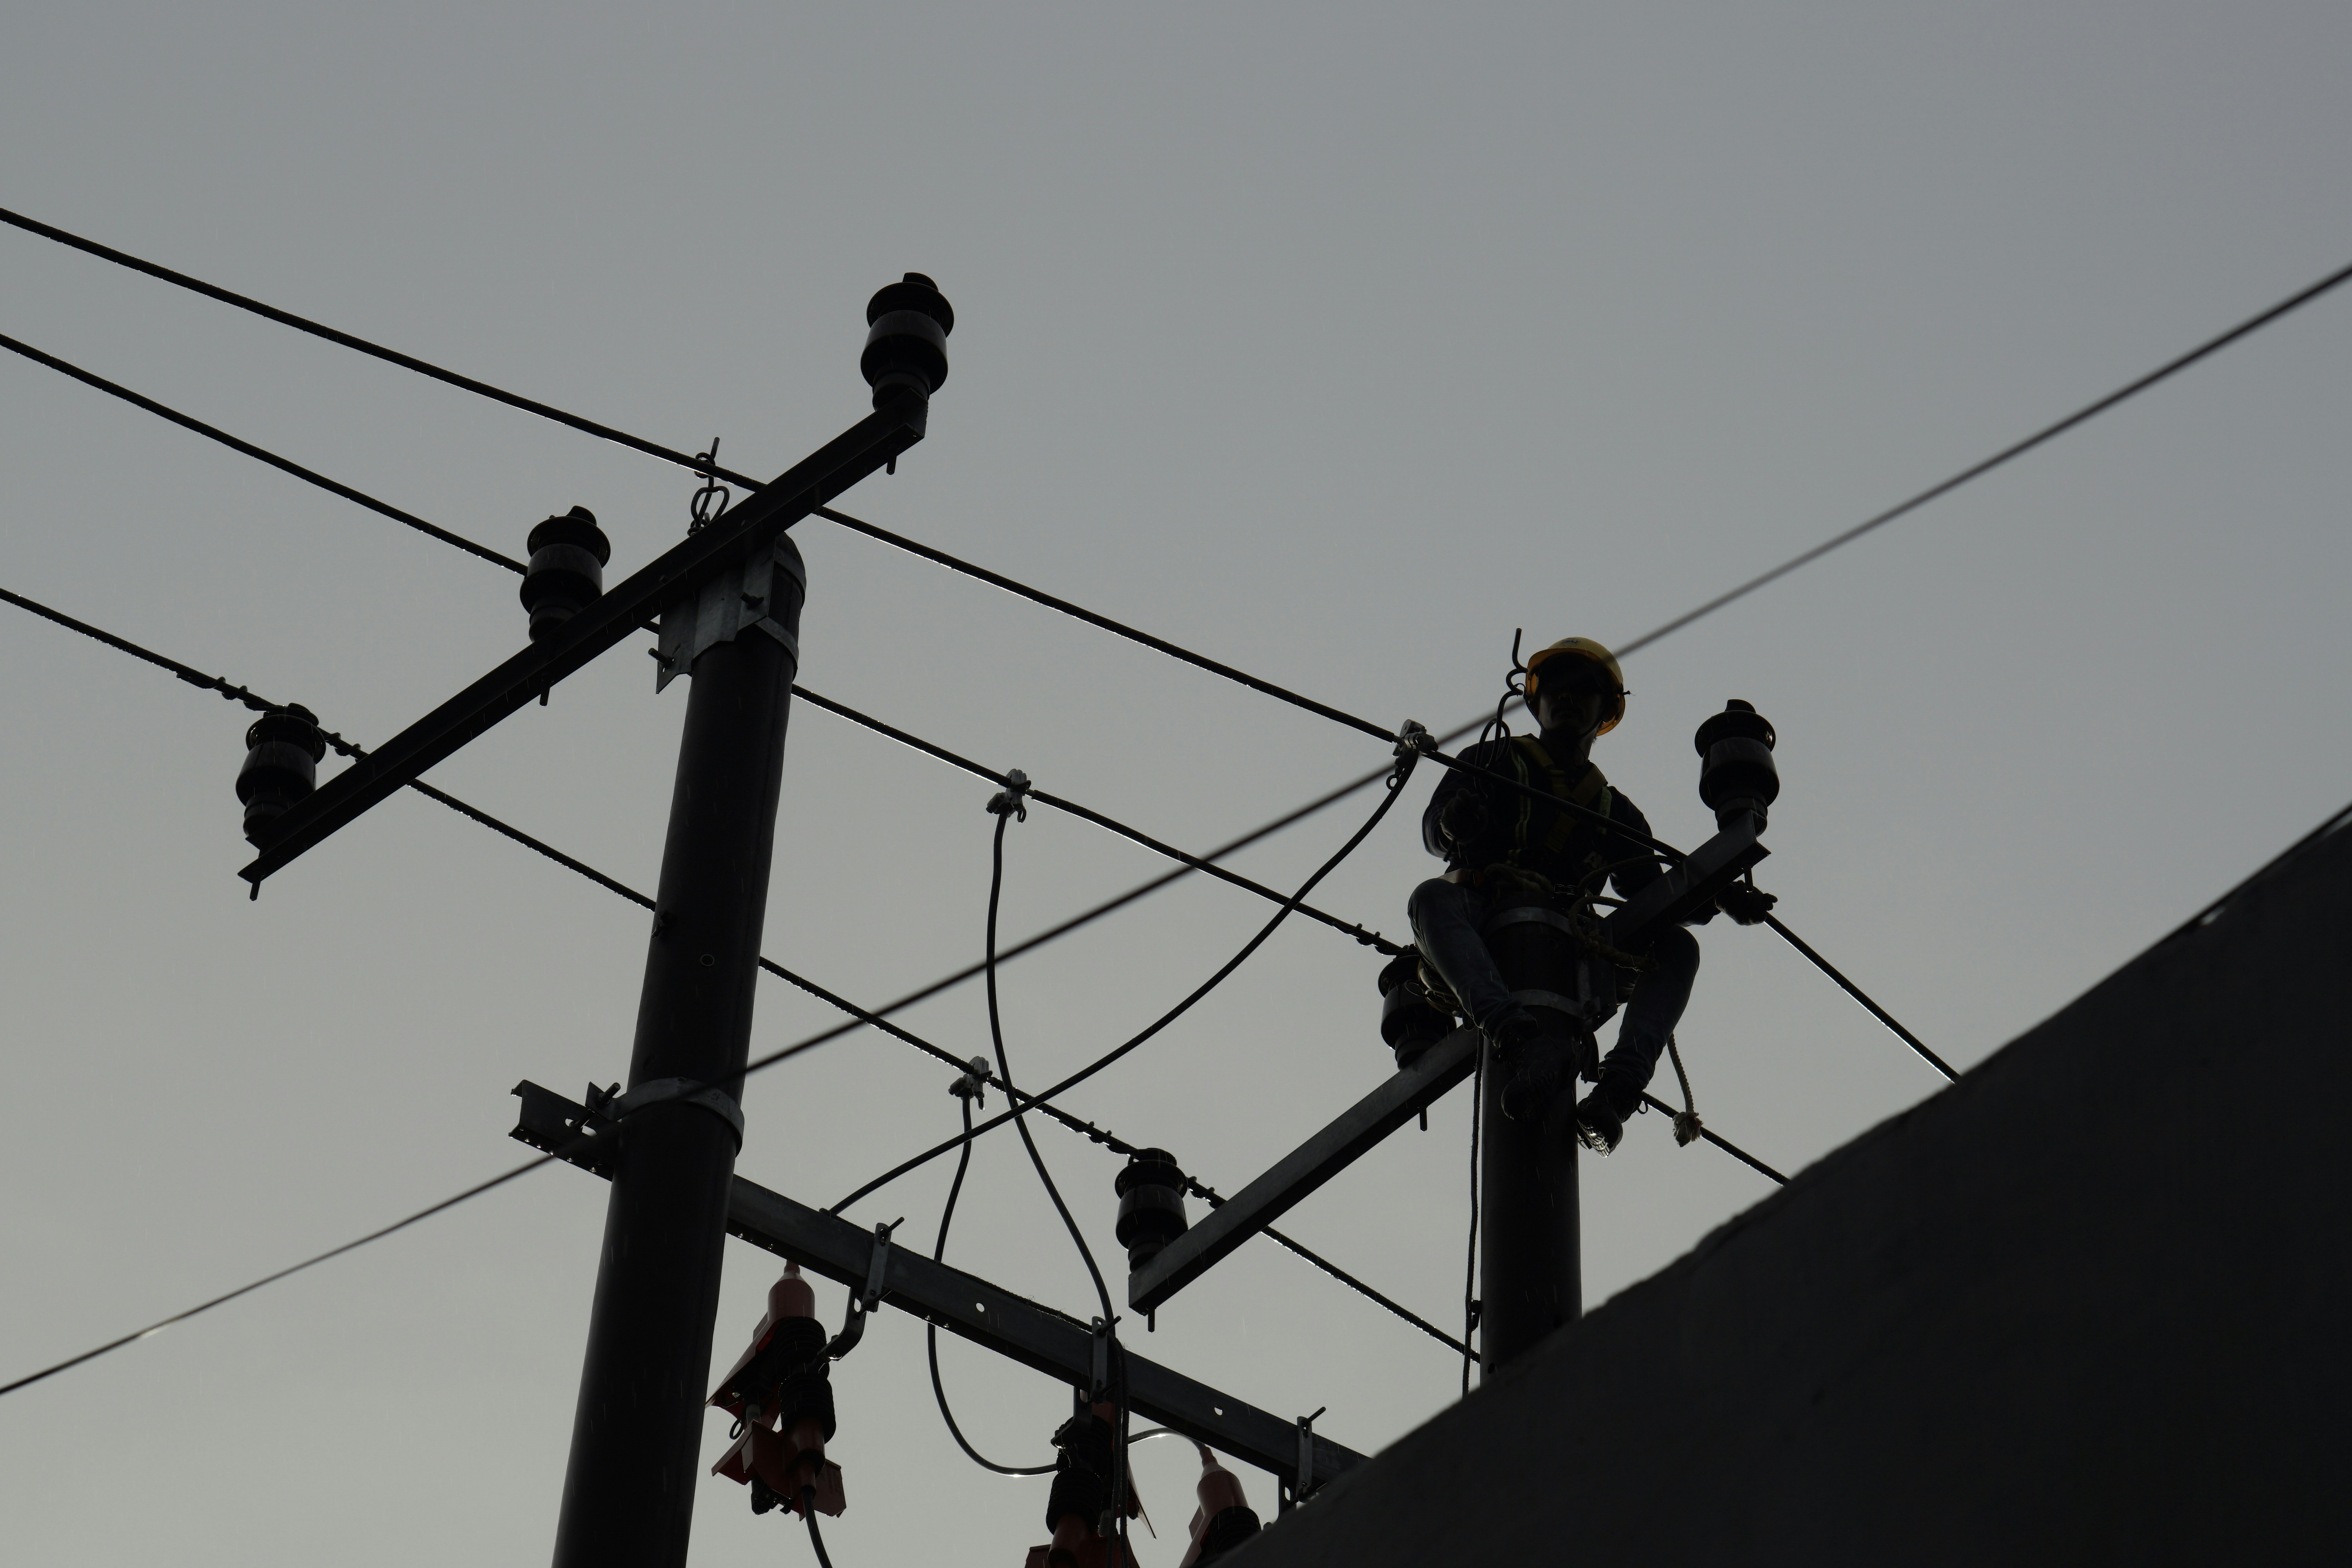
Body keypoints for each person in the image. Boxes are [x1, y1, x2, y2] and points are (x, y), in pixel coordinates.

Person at [1406, 637, 1702, 1154]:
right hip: (1482, 915)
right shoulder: (1492, 759)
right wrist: (1454, 824)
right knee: (1432, 900)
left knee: (1677, 947)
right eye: (1556, 689)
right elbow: (1435, 832)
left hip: (1574, 946)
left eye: (1582, 691)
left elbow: (1651, 896)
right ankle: (1522, 1043)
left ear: (1605, 710)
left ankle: (1618, 1089)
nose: (1566, 699)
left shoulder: (1614, 811)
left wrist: (1714, 895)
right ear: (1535, 700)